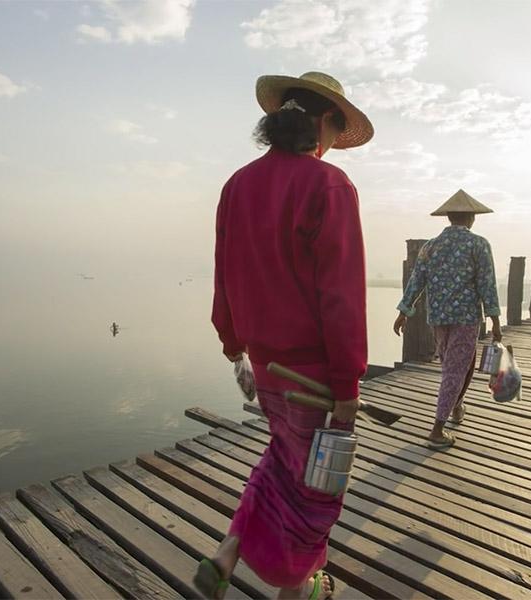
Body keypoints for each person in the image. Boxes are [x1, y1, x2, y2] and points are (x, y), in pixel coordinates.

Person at [202, 71, 373, 600]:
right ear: (321, 123)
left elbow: (224, 272)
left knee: (282, 460)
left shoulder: (238, 184)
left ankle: (231, 548)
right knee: (316, 490)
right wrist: (348, 386)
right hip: (314, 374)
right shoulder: (328, 185)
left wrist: (234, 345)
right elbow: (341, 296)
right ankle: (298, 589)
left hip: (268, 364)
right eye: (334, 130)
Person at [392, 189, 502, 450]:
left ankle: (456, 405)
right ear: (471, 218)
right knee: (454, 369)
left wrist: (403, 311)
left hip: (438, 317)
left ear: (449, 217)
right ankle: (437, 428)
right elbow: (487, 284)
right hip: (466, 318)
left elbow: (416, 280)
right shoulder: (478, 244)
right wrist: (495, 320)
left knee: (459, 364)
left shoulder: (431, 246)